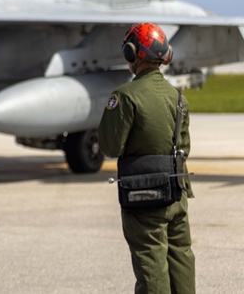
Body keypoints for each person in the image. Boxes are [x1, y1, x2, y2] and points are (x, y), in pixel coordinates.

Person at [98, 23, 195, 294]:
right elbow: (184, 146)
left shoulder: (125, 97)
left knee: (151, 258)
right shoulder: (178, 98)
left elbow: (110, 146)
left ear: (133, 54)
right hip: (178, 192)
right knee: (181, 256)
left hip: (144, 194)